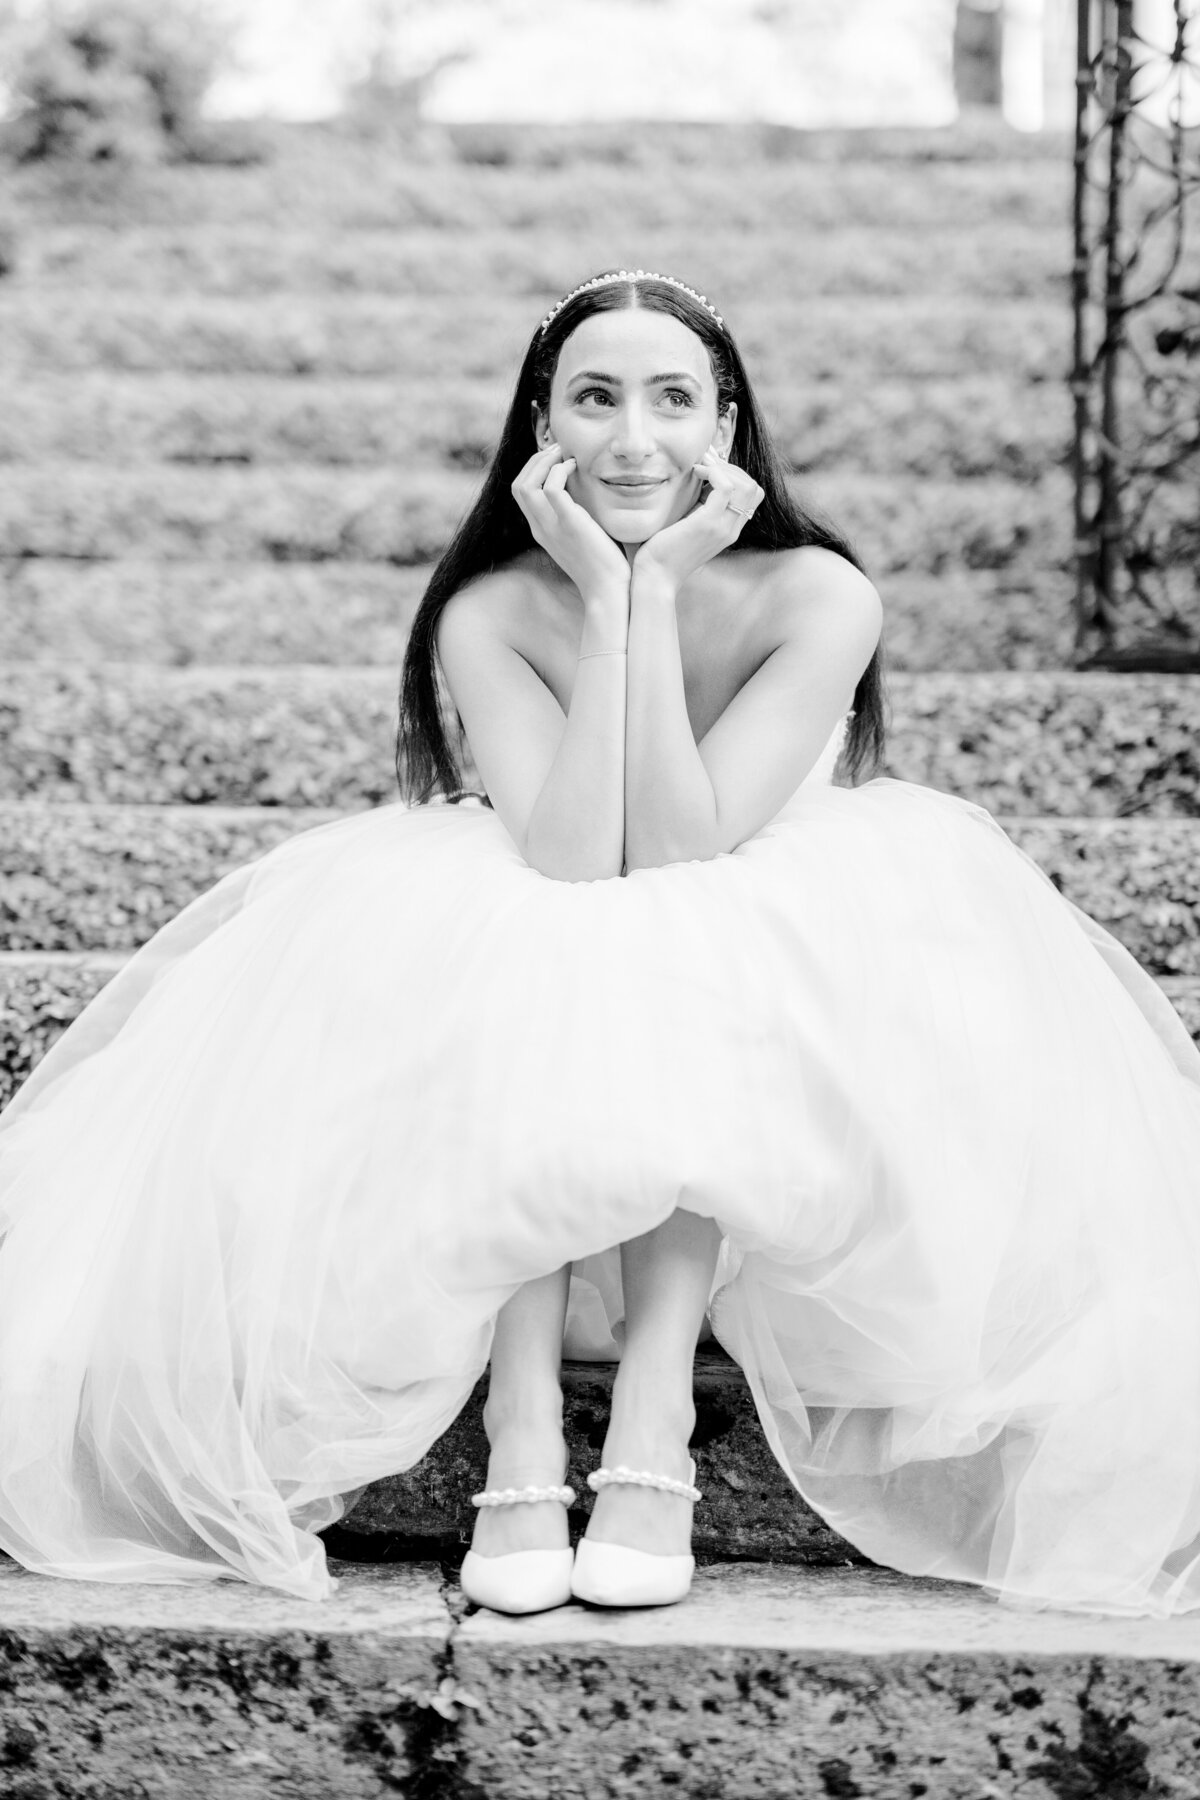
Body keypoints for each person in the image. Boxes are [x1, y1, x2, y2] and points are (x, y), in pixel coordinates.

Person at [1, 271, 1199, 1622]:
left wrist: (664, 586)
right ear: (541, 423)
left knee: (679, 938)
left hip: (761, 963)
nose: (635, 437)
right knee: (539, 928)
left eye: (674, 399)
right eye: (596, 397)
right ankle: (521, 1432)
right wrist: (607, 595)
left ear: (729, 425)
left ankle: (650, 1433)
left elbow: (685, 850)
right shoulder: (492, 607)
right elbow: (571, 852)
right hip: (556, 937)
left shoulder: (819, 594)